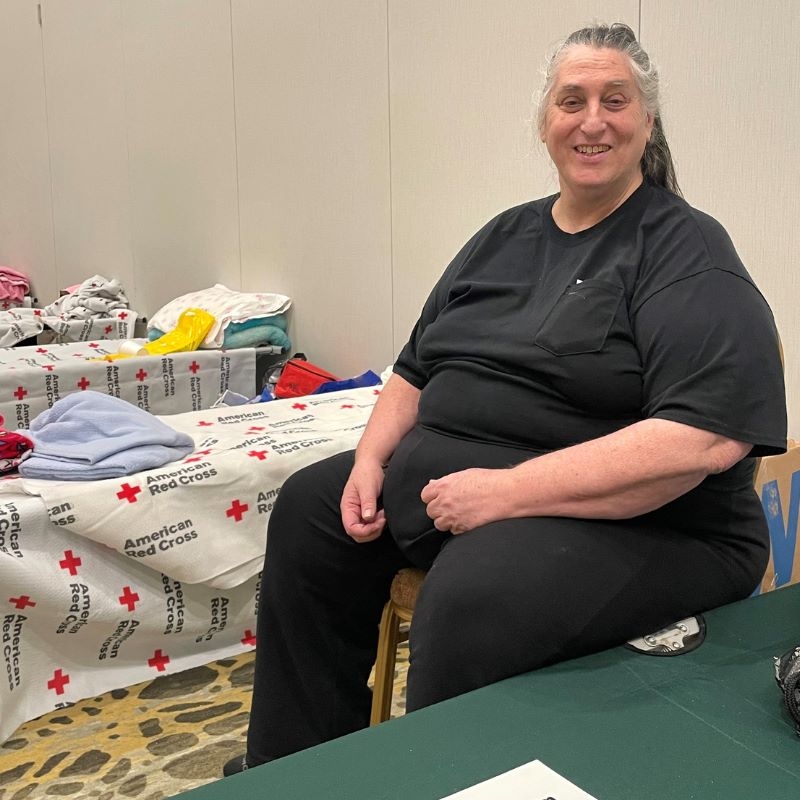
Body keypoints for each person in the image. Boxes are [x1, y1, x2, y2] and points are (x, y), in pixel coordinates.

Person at [224, 22, 786, 775]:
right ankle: (295, 772)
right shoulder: (503, 235)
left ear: (647, 121)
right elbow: (414, 369)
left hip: (660, 527)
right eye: (571, 100)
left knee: (474, 595)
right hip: (465, 492)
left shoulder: (685, 250)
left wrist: (510, 493)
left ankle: (443, 782)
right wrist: (368, 458)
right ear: (545, 123)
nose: (592, 120)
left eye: (614, 100)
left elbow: (701, 441)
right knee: (310, 509)